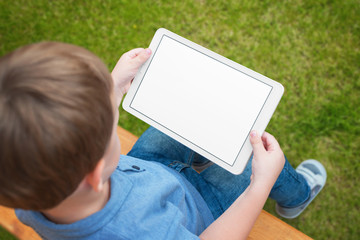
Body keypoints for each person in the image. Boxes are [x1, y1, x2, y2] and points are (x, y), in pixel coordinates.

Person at [0, 42, 327, 240]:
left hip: (148, 172)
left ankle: (199, 158)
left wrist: (113, 88)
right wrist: (259, 186)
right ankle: (297, 195)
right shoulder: (140, 233)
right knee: (254, 160)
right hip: (198, 207)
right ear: (95, 170)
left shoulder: (31, 196)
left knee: (192, 119)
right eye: (104, 121)